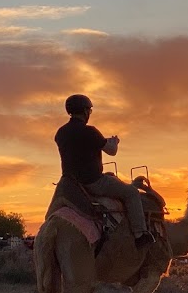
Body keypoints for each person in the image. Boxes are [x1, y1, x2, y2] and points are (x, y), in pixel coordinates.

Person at [54, 94, 154, 248]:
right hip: (93, 182)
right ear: (86, 111)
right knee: (131, 193)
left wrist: (101, 140)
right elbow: (111, 151)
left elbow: (80, 145)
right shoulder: (90, 131)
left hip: (69, 184)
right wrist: (114, 142)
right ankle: (140, 234)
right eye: (89, 111)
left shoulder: (61, 133)